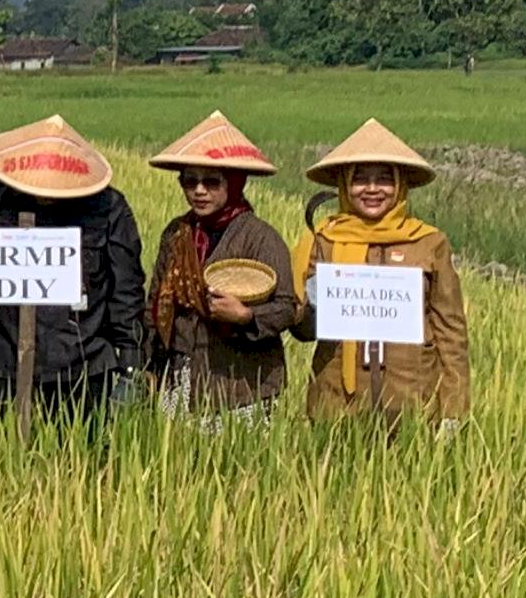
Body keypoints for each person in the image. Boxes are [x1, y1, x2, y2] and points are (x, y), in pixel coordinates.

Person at [0, 116, 146, 419]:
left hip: (85, 368)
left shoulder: (107, 208)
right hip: (8, 367)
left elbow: (126, 292)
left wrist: (130, 366)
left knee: (85, 461)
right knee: (4, 459)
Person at [293, 120, 469, 428]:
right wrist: (311, 304)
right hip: (337, 405)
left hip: (413, 403)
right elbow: (299, 327)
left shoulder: (428, 242)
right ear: (344, 185)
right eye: (360, 179)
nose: (372, 189)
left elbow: (450, 331)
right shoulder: (323, 241)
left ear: (400, 186)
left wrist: (453, 409)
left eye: (384, 179)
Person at [140, 113, 299, 418]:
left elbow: (286, 307)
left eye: (211, 182)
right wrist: (150, 364)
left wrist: (245, 316)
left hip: (241, 384)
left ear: (234, 183)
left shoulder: (259, 237)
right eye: (190, 181)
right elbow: (155, 302)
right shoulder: (176, 233)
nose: (199, 191)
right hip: (180, 375)